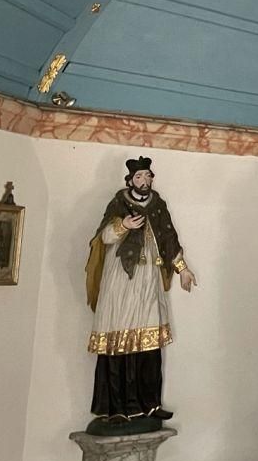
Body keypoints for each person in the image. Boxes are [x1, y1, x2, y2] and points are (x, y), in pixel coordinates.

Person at [84, 156, 197, 434]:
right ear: (130, 180)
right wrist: (123, 225)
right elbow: (104, 237)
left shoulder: (158, 206)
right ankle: (117, 408)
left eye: (148, 177)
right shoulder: (118, 204)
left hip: (148, 281)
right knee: (119, 341)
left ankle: (149, 404)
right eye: (139, 177)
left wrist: (182, 269)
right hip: (122, 281)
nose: (144, 182)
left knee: (149, 343)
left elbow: (169, 238)